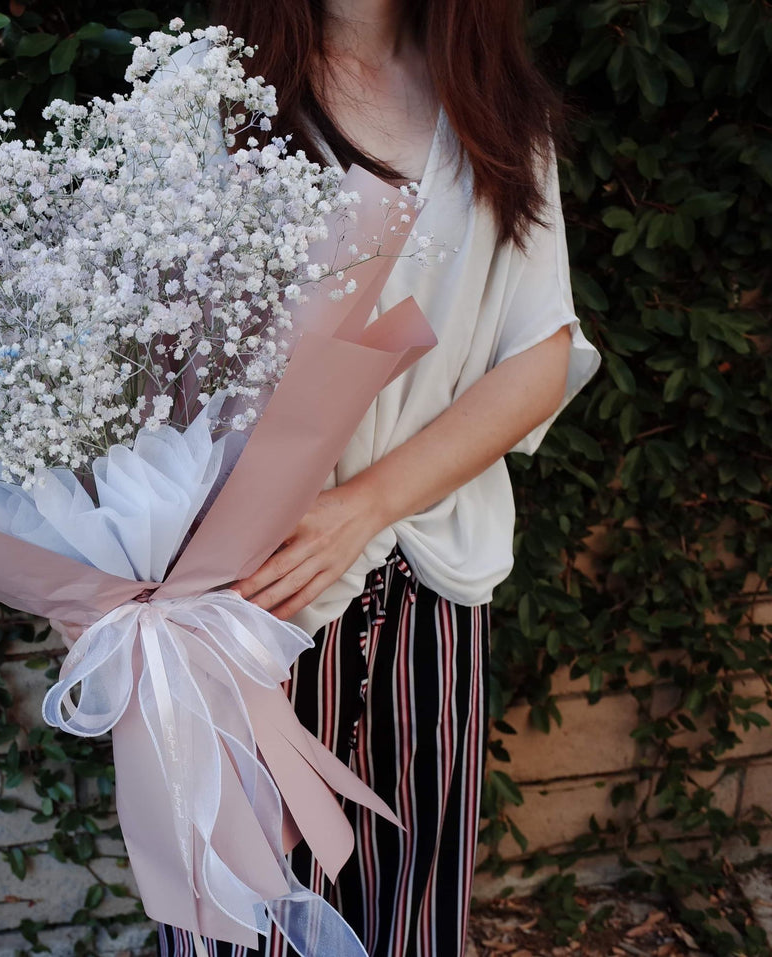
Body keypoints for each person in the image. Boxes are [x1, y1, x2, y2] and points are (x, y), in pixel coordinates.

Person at [154, 2, 604, 956]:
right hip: (246, 590)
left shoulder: (492, 102)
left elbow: (540, 350)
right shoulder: (201, 83)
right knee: (243, 914)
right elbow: (134, 352)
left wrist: (361, 506)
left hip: (426, 574)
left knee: (409, 895)